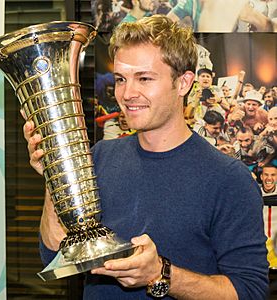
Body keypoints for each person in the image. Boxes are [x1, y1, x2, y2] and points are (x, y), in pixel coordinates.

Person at [23, 15, 268, 299]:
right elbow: (53, 252)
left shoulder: (229, 178)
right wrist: (56, 173)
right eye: (121, 79)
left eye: (144, 78)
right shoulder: (101, 156)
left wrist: (161, 274)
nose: (127, 94)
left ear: (184, 83)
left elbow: (250, 291)